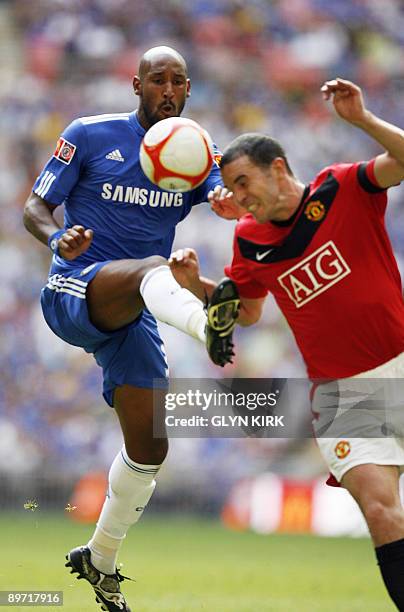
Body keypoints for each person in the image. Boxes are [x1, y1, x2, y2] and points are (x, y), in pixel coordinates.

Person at [169, 78, 404, 610]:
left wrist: (362, 120)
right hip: (344, 394)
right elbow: (246, 312)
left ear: (277, 168)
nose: (237, 196)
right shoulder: (249, 240)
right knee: (382, 510)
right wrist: (197, 286)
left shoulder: (343, 187)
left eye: (242, 181)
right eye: (230, 187)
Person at [23, 46, 238, 612]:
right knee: (153, 267)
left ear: (188, 90)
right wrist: (55, 238)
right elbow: (35, 207)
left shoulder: (194, 150)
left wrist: (224, 201)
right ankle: (205, 324)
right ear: (135, 85)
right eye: (157, 80)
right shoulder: (89, 135)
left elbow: (222, 189)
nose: (168, 90)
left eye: (178, 82)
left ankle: (100, 557)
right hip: (77, 286)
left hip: (137, 310)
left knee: (150, 449)